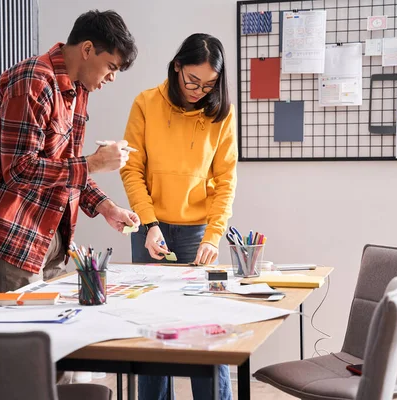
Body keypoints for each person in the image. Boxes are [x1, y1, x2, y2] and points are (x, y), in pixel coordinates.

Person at [0, 9, 140, 294]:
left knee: (54, 336)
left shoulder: (77, 90)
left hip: (50, 240)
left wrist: (105, 207)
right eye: (111, 66)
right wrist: (95, 163)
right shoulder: (33, 81)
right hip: (13, 240)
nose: (112, 78)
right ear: (87, 49)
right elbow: (20, 170)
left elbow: (63, 166)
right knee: (19, 337)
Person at [120, 33, 237, 400]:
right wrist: (149, 224)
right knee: (155, 333)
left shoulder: (220, 114)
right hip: (150, 231)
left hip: (197, 234)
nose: (199, 90)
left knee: (203, 334)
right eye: (192, 81)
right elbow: (131, 170)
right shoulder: (145, 104)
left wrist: (213, 235)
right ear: (177, 67)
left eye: (210, 84)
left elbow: (225, 181)